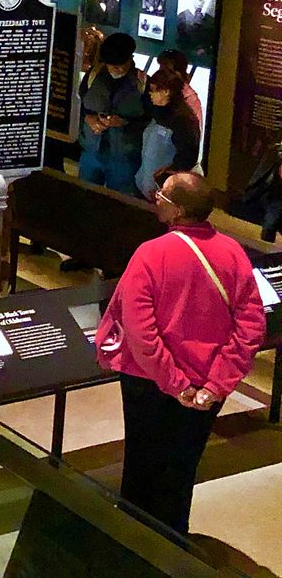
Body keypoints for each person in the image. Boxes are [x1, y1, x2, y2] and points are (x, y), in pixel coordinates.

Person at [96, 172, 265, 534]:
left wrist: (174, 383)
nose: (156, 198)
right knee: (181, 469)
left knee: (141, 465)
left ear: (177, 210)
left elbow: (140, 330)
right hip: (206, 384)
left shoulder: (151, 254)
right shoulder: (232, 251)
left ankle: (134, 545)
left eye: (162, 195)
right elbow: (251, 326)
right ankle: (173, 544)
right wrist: (215, 385)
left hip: (150, 381)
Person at [78, 32, 146, 195]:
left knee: (122, 202)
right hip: (92, 150)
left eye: (124, 63)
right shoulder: (93, 76)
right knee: (84, 196)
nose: (120, 69)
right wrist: (89, 118)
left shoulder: (141, 83)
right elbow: (79, 104)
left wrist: (125, 122)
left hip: (124, 156)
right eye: (114, 66)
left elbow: (149, 120)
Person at [134, 66, 200, 199]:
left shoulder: (183, 121)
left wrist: (164, 182)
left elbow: (187, 157)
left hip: (163, 192)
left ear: (166, 92)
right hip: (145, 183)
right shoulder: (156, 111)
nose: (150, 94)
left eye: (154, 90)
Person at [157, 49, 203, 129]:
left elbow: (195, 133)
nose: (160, 72)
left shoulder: (190, 99)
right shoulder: (158, 90)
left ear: (178, 73)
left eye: (166, 70)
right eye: (161, 67)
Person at [176, 0, 215, 65]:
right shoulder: (182, 16)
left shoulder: (210, 20)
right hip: (184, 59)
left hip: (204, 62)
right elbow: (178, 41)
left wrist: (205, 50)